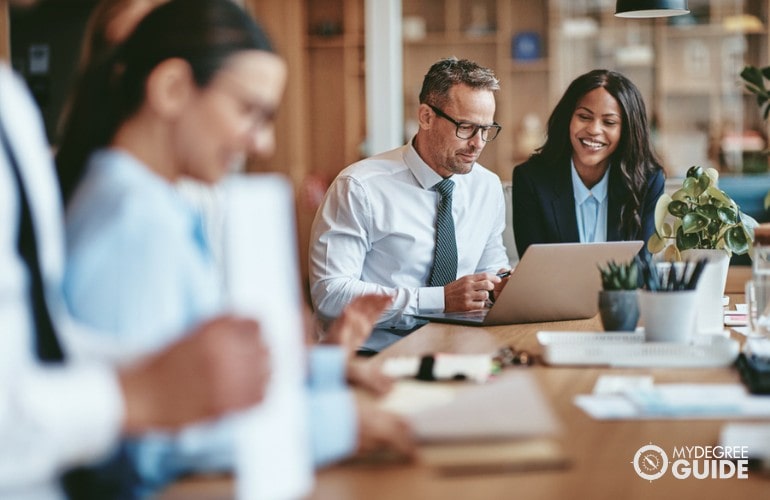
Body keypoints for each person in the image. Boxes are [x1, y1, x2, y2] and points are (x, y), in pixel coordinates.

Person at [55, 0, 412, 495]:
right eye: (250, 112)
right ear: (172, 88)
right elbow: (149, 431)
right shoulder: (132, 221)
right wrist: (330, 427)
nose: (263, 143)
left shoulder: (153, 203)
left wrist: (323, 368)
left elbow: (193, 375)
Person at [0, 1, 272, 499]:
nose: (263, 141)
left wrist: (262, 363)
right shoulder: (130, 218)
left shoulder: (12, 106)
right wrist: (137, 394)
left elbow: (47, 346)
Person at [309, 57, 512, 353]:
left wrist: (503, 285)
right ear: (426, 117)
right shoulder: (360, 187)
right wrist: (438, 300)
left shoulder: (487, 186)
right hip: (371, 355)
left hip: (458, 351)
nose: (478, 143)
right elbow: (330, 294)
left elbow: (491, 266)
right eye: (466, 127)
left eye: (486, 129)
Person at [511, 69, 665, 258]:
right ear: (568, 118)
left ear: (626, 131)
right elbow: (534, 266)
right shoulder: (531, 180)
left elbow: (643, 268)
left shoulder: (648, 181)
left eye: (609, 122)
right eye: (584, 117)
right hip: (557, 289)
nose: (594, 130)